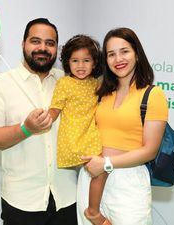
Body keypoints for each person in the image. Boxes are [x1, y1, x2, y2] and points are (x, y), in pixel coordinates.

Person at [0, 18, 77, 225]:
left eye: (50, 43)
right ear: (23, 44)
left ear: (57, 48)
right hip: (21, 202)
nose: (43, 48)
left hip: (67, 198)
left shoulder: (69, 82)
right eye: (35, 41)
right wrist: (26, 129)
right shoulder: (1, 84)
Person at [77, 27, 169, 225]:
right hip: (91, 176)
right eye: (111, 54)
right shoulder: (101, 92)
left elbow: (150, 151)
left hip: (128, 181)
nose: (118, 59)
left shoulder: (153, 95)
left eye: (124, 51)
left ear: (137, 53)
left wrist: (106, 164)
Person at [47, 35, 111, 225]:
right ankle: (93, 211)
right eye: (75, 61)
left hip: (91, 135)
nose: (80, 66)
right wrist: (45, 119)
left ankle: (94, 209)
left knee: (100, 171)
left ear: (94, 63)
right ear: (67, 62)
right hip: (72, 140)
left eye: (86, 60)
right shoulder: (64, 83)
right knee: (98, 172)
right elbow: (55, 108)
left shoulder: (96, 84)